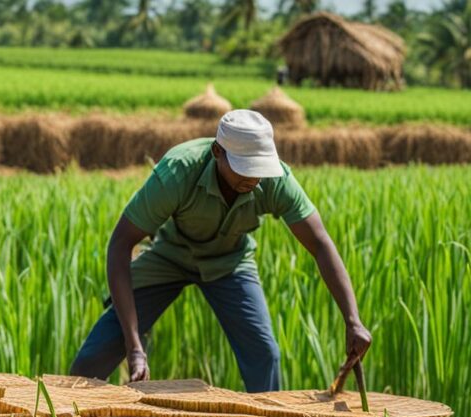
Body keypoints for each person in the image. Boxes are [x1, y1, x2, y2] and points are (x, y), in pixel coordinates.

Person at [70, 110, 371, 392]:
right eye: (244, 168)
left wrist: (353, 320)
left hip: (230, 262)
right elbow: (121, 243)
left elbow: (320, 243)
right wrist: (134, 347)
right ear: (217, 152)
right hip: (170, 256)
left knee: (265, 354)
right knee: (93, 357)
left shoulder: (276, 181)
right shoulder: (178, 171)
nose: (253, 179)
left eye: (259, 169)